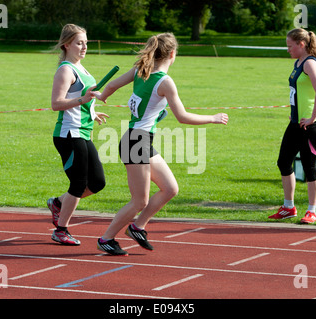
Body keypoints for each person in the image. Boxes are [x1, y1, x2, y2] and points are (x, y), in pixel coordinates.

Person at [94, 33, 229, 255]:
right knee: (139, 201)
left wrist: (102, 96)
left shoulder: (141, 70)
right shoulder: (165, 81)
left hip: (139, 140)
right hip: (136, 141)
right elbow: (183, 117)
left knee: (170, 188)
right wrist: (212, 118)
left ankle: (137, 227)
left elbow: (112, 86)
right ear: (173, 54)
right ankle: (106, 238)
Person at [47, 24, 109, 245]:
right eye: (79, 43)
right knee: (79, 182)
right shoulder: (65, 70)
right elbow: (56, 104)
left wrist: (91, 112)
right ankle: (61, 230)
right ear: (67, 44)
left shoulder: (83, 69)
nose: (84, 47)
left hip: (83, 131)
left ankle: (58, 203)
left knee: (97, 182)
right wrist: (83, 101)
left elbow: (82, 99)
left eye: (86, 43)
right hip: (68, 134)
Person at [268, 28, 316, 224]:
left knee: (309, 167)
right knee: (284, 162)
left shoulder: (309, 63)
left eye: (290, 46)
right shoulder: (298, 62)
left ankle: (312, 210)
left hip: (309, 124)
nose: (288, 49)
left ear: (301, 45)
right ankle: (289, 206)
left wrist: (311, 118)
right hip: (295, 122)